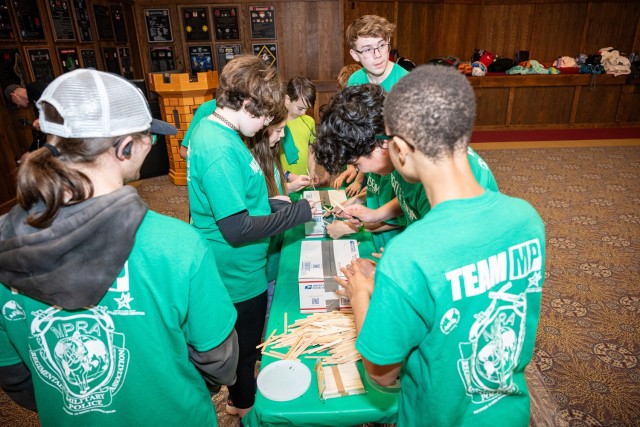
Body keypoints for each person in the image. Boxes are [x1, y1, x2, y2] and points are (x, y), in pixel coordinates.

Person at [0, 69, 239, 426]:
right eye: (149, 139)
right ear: (125, 147)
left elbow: (14, 376)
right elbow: (218, 360)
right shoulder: (176, 244)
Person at [335, 65, 545, 427]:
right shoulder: (528, 219)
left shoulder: (410, 253)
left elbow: (382, 374)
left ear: (398, 149)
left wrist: (360, 293)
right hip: (508, 413)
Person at [187, 55, 316, 419]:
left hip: (246, 264)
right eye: (262, 116)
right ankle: (244, 406)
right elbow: (236, 228)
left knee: (248, 345)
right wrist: (296, 213)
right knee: (243, 350)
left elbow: (240, 202)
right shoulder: (218, 146)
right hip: (236, 270)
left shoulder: (225, 133)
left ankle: (240, 395)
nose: (264, 125)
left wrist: (271, 206)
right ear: (245, 103)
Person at [313, 84, 499, 232]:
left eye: (358, 165)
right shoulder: (402, 149)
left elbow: (451, 256)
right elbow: (407, 197)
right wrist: (376, 215)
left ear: (381, 146)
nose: (361, 171)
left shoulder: (441, 181)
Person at [244, 96, 311, 314]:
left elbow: (274, 192)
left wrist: (288, 189)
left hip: (275, 249)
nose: (282, 135)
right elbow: (254, 211)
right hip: (264, 256)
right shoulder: (250, 162)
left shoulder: (270, 156)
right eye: (279, 130)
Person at [279, 76, 329, 186]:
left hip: (303, 177)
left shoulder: (309, 121)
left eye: (307, 108)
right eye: (300, 108)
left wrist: (312, 171)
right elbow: (268, 161)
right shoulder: (275, 125)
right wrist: (288, 176)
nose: (304, 113)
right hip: (281, 180)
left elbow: (311, 149)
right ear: (287, 100)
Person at [346, 15, 408, 92]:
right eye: (368, 49)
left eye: (382, 45)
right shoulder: (354, 81)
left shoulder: (408, 84)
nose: (378, 55)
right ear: (355, 55)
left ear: (388, 41)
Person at [5, 82, 48, 151]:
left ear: (14, 95)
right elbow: (41, 135)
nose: (18, 106)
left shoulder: (33, 88)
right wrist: (30, 152)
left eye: (15, 103)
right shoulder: (35, 105)